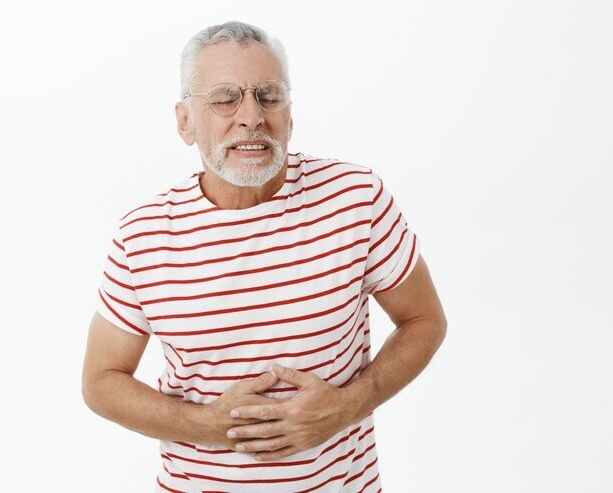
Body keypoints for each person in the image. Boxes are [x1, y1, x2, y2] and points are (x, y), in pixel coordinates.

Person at [81, 20, 447, 493]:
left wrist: (348, 405)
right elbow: (101, 381)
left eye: (269, 96)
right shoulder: (145, 235)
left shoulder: (356, 199)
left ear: (290, 114)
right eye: (225, 98)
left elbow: (424, 321)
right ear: (185, 121)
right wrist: (209, 424)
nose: (251, 116)